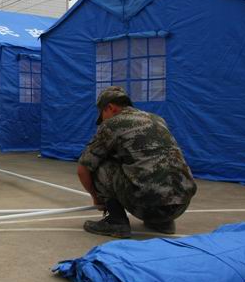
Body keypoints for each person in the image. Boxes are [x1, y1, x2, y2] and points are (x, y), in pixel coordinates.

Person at [77, 86, 197, 238]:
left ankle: (116, 222)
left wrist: (97, 198)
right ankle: (162, 223)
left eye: (102, 115)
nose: (102, 121)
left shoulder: (112, 124)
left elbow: (83, 169)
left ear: (110, 107)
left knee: (99, 163)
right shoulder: (157, 119)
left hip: (147, 204)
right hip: (181, 204)